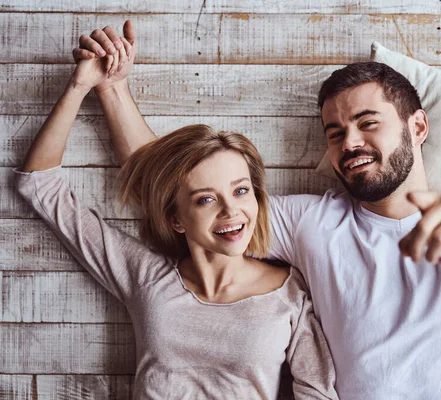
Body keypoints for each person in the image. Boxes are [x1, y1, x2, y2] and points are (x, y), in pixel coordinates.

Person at [76, 21, 441, 399]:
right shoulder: (312, 222)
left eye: (367, 123)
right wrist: (112, 90)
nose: (351, 142)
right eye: (335, 133)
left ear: (418, 126)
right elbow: (179, 184)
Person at [16, 36, 338, 400]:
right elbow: (38, 186)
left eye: (240, 190)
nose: (231, 210)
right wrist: (81, 85)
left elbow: (319, 393)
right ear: (176, 219)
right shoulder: (147, 277)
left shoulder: (290, 293)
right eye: (205, 199)